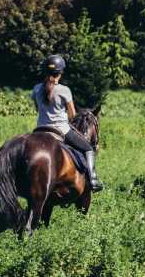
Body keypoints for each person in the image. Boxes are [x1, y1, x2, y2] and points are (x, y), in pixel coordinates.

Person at [32, 55, 104, 192]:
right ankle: (93, 180)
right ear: (60, 73)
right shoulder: (65, 91)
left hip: (40, 130)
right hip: (62, 130)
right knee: (88, 148)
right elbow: (72, 115)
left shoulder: (36, 89)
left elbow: (38, 109)